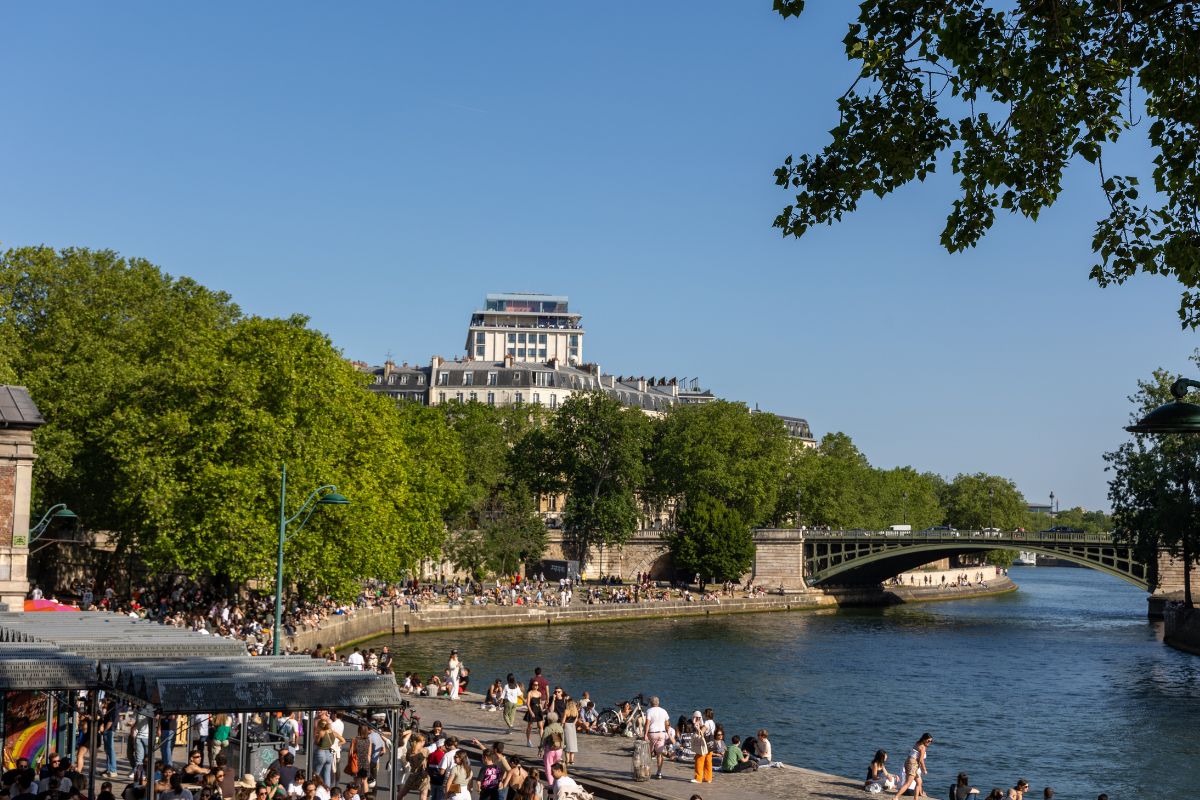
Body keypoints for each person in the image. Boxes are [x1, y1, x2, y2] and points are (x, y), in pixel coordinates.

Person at [892, 733, 932, 800]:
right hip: (913, 765)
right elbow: (921, 760)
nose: (930, 742)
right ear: (924, 739)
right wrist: (924, 769)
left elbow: (914, 755)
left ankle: (915, 798)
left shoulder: (917, 743)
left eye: (931, 741)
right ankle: (896, 797)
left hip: (908, 763)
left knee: (919, 782)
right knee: (908, 783)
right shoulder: (923, 747)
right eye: (928, 741)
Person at [643, 696, 670, 780]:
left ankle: (647, 771)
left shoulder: (649, 711)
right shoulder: (664, 711)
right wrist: (668, 733)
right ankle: (659, 772)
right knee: (659, 754)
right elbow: (667, 724)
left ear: (651, 703)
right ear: (658, 703)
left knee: (649, 754)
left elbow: (647, 723)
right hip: (662, 733)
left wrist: (645, 734)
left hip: (652, 733)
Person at [312, 719, 343, 788]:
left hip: (321, 752)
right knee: (327, 773)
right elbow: (343, 740)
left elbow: (316, 743)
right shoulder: (332, 732)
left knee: (316, 773)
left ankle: (314, 787)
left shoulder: (321, 732)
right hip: (329, 753)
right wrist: (337, 744)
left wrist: (316, 736)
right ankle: (327, 790)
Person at [540, 713, 565, 786]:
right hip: (559, 750)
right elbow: (563, 738)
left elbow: (543, 740)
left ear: (549, 720)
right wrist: (562, 747)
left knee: (548, 767)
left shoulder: (548, 728)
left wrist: (541, 750)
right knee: (556, 766)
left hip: (550, 750)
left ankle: (551, 784)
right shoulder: (560, 727)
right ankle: (557, 782)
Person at [689, 711, 712, 784]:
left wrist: (697, 728)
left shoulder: (707, 723)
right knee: (708, 761)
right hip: (710, 743)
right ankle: (708, 778)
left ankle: (698, 778)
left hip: (704, 744)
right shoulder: (712, 723)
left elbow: (701, 733)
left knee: (699, 759)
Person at [524, 681, 545, 749]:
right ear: (532, 685)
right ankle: (528, 740)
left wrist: (541, 708)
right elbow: (528, 704)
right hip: (532, 710)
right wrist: (531, 712)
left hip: (538, 710)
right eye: (534, 685)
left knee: (541, 726)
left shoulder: (539, 693)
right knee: (530, 726)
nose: (536, 686)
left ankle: (542, 741)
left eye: (537, 685)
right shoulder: (530, 693)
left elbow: (540, 702)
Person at [561, 701, 579, 767]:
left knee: (567, 744)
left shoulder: (566, 711)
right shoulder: (576, 711)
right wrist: (573, 724)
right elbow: (576, 719)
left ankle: (567, 760)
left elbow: (563, 720)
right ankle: (572, 760)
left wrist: (561, 726)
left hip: (566, 726)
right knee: (573, 744)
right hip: (572, 727)